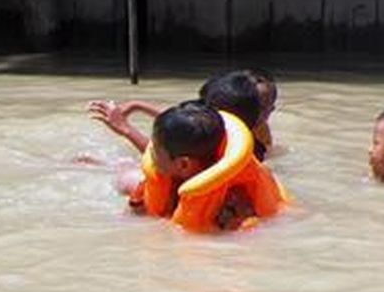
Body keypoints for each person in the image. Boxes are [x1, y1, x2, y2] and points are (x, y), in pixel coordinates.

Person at [129, 100, 288, 232]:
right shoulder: (197, 159)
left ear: (184, 164)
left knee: (127, 178)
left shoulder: (233, 204)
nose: (150, 155)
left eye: (155, 153)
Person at [89, 68, 276, 160]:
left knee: (126, 177)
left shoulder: (227, 143)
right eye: (268, 107)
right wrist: (139, 105)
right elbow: (185, 122)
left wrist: (125, 128)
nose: (272, 110)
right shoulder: (250, 127)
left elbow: (165, 157)